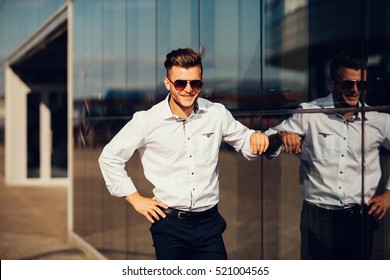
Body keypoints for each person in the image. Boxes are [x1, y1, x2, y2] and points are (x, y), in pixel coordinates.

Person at [98, 47, 269, 260]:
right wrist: (135, 199)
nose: (188, 89)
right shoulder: (147, 120)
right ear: (168, 84)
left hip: (210, 225)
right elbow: (109, 157)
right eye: (180, 83)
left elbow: (246, 141)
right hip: (170, 227)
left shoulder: (216, 113)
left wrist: (257, 137)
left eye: (195, 83)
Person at [266, 49, 390, 259]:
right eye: (348, 84)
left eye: (361, 84)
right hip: (317, 220)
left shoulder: (379, 121)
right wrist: (282, 136)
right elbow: (266, 142)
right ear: (332, 83)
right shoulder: (309, 113)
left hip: (359, 219)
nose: (355, 90)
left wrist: (388, 194)